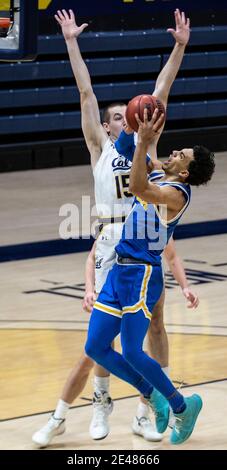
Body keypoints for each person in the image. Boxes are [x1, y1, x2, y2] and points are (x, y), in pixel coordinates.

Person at [32, 8, 193, 447]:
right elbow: (85, 91)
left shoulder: (148, 142)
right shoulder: (99, 146)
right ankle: (102, 401)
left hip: (146, 239)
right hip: (110, 239)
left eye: (130, 114)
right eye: (119, 116)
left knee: (154, 326)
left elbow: (161, 89)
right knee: (103, 335)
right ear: (107, 125)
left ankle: (148, 409)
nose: (128, 118)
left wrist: (179, 46)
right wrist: (70, 42)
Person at [85, 107, 215, 445]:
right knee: (96, 346)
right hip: (119, 269)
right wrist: (134, 128)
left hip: (142, 275)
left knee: (131, 352)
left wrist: (143, 144)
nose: (172, 153)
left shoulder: (176, 194)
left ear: (185, 172)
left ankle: (181, 406)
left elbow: (137, 185)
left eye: (180, 155)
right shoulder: (163, 175)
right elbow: (130, 154)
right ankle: (155, 396)